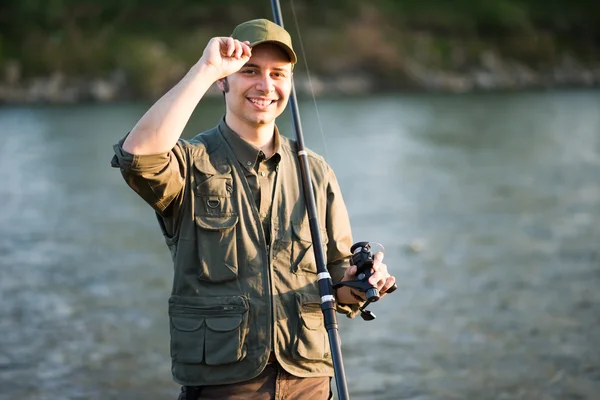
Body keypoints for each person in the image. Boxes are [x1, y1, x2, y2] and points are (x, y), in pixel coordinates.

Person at [111, 18, 396, 400]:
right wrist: (206, 68)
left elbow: (338, 273)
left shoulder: (316, 170)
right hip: (225, 387)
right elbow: (139, 155)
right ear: (224, 81)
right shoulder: (190, 162)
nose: (265, 85)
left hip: (310, 383)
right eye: (250, 71)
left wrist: (363, 280)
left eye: (278, 74)